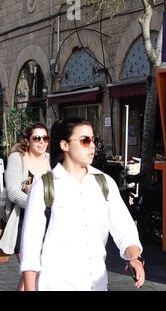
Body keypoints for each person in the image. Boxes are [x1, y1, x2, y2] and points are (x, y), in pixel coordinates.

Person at [20, 118, 145, 291]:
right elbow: (30, 247)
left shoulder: (104, 183)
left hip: (97, 284)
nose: (92, 145)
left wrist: (134, 258)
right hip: (56, 285)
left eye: (94, 140)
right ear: (65, 145)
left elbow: (124, 228)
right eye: (85, 140)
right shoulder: (44, 186)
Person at [0, 123, 51, 291]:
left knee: (33, 271)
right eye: (36, 138)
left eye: (45, 138)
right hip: (23, 220)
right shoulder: (17, 158)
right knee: (31, 268)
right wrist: (36, 202)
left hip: (49, 218)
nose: (41, 142)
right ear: (27, 141)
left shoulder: (51, 160)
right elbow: (13, 192)